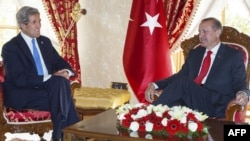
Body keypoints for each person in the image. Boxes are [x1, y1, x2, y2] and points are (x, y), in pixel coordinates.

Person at [145, 17, 250, 118]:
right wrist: (155, 85)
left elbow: (240, 82)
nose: (201, 35)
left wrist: (243, 93)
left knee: (183, 83)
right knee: (174, 100)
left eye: (205, 31)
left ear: (218, 32)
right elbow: (179, 76)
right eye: (199, 32)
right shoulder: (195, 53)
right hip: (191, 100)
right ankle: (154, 125)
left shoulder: (232, 55)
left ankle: (149, 116)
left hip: (214, 104)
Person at [1, 6, 79, 140]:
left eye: (40, 21)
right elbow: (19, 79)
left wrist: (66, 71)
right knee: (62, 94)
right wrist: (50, 77)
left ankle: (60, 135)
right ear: (22, 25)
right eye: (34, 22)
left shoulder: (45, 42)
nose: (39, 26)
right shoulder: (11, 48)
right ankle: (69, 135)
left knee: (60, 85)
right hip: (24, 93)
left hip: (48, 90)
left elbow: (60, 62)